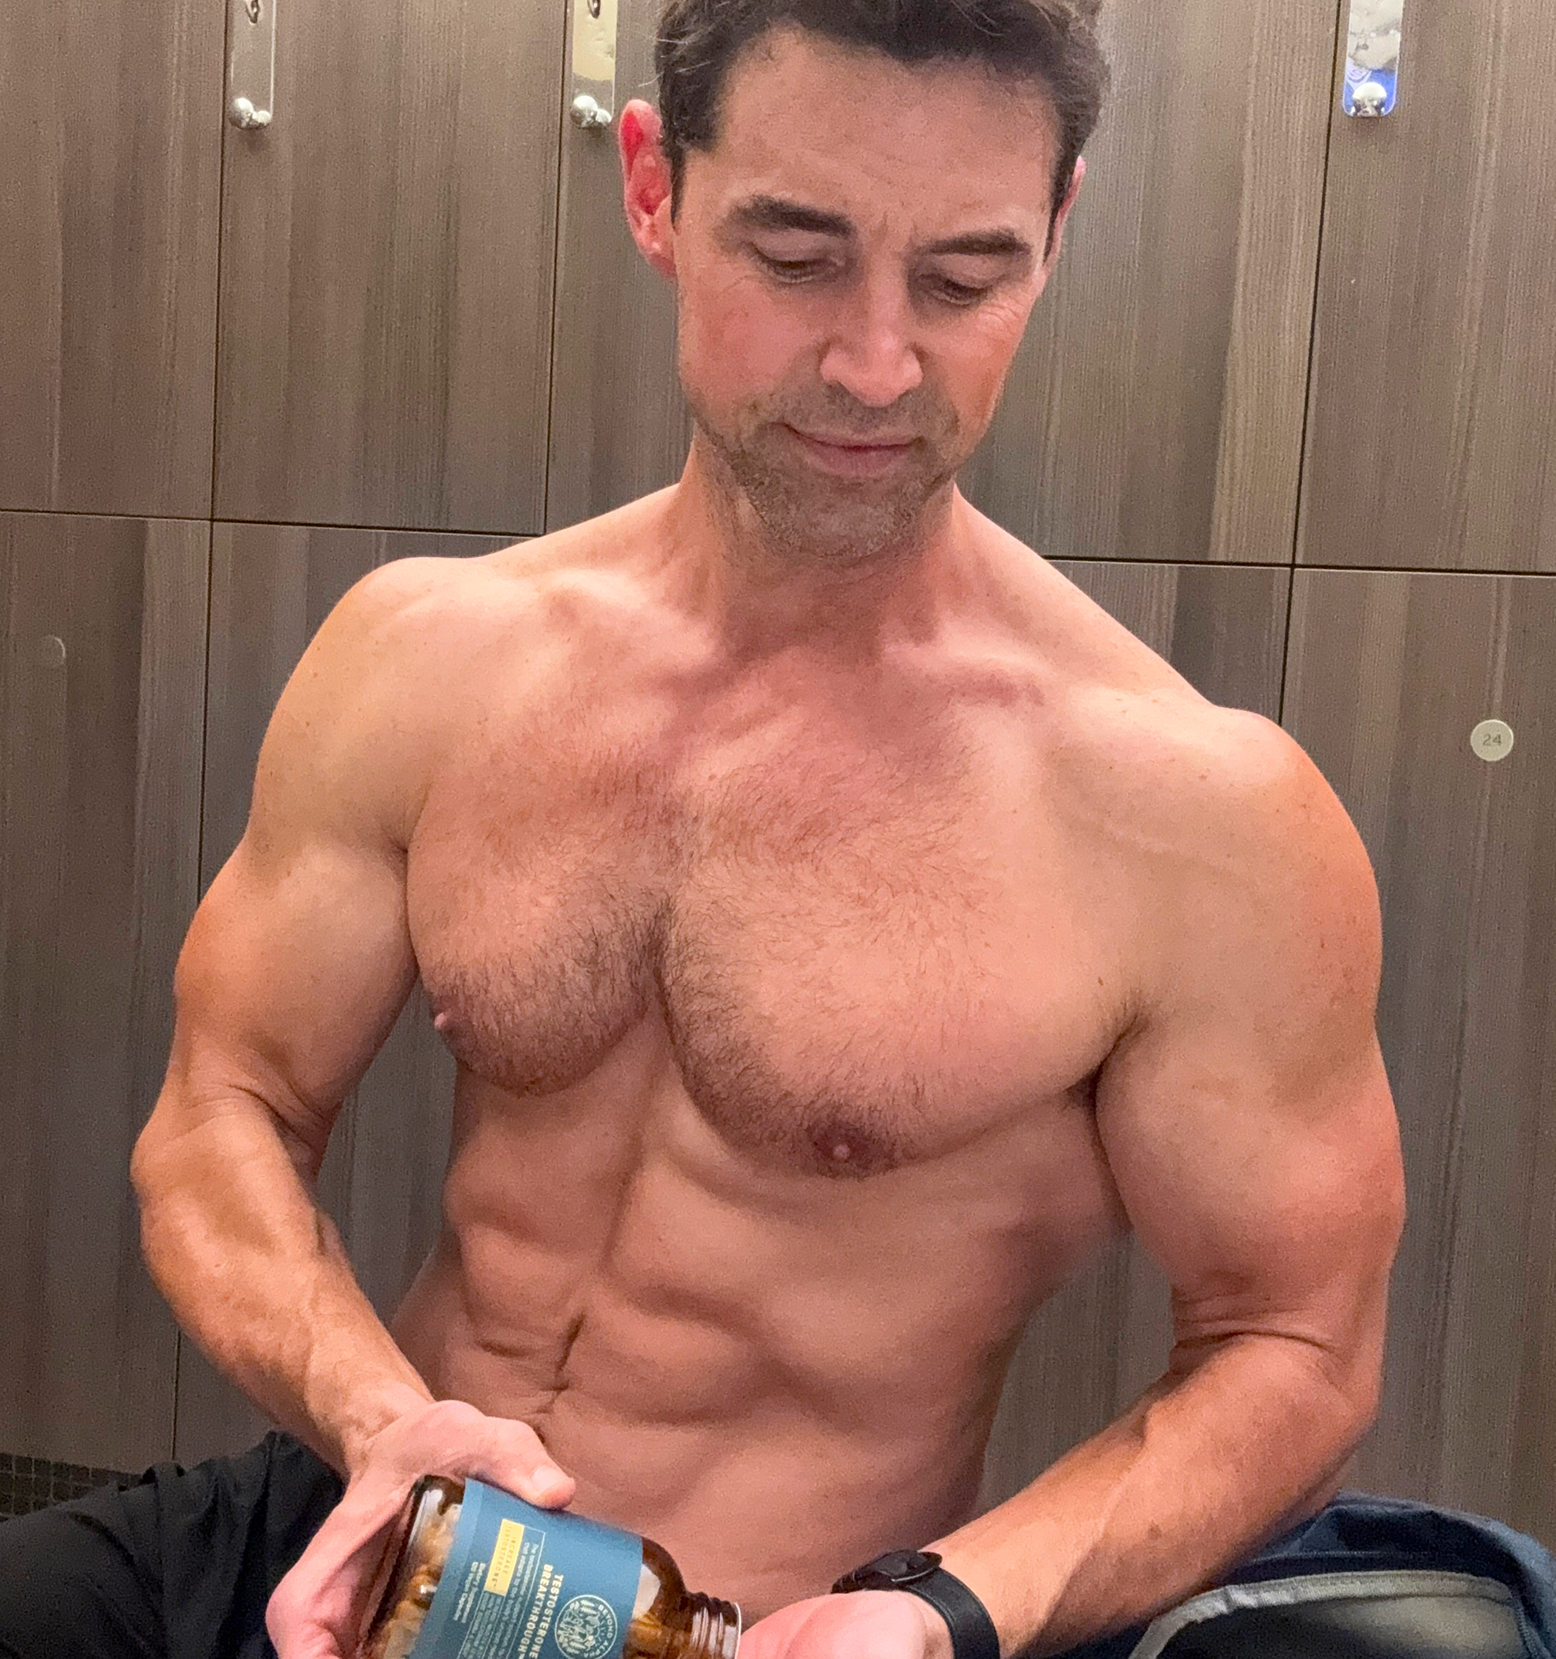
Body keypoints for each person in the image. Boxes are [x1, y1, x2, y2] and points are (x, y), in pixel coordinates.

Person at [0, 3, 1405, 1657]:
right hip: (352, 1523)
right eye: (796, 256)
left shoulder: (1190, 814)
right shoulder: (431, 653)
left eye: (963, 279)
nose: (876, 363)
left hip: (758, 1628)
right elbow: (221, 1108)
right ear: (654, 189)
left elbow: (1294, 1345)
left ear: (1057, 231)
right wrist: (375, 1415)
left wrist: (948, 1610)